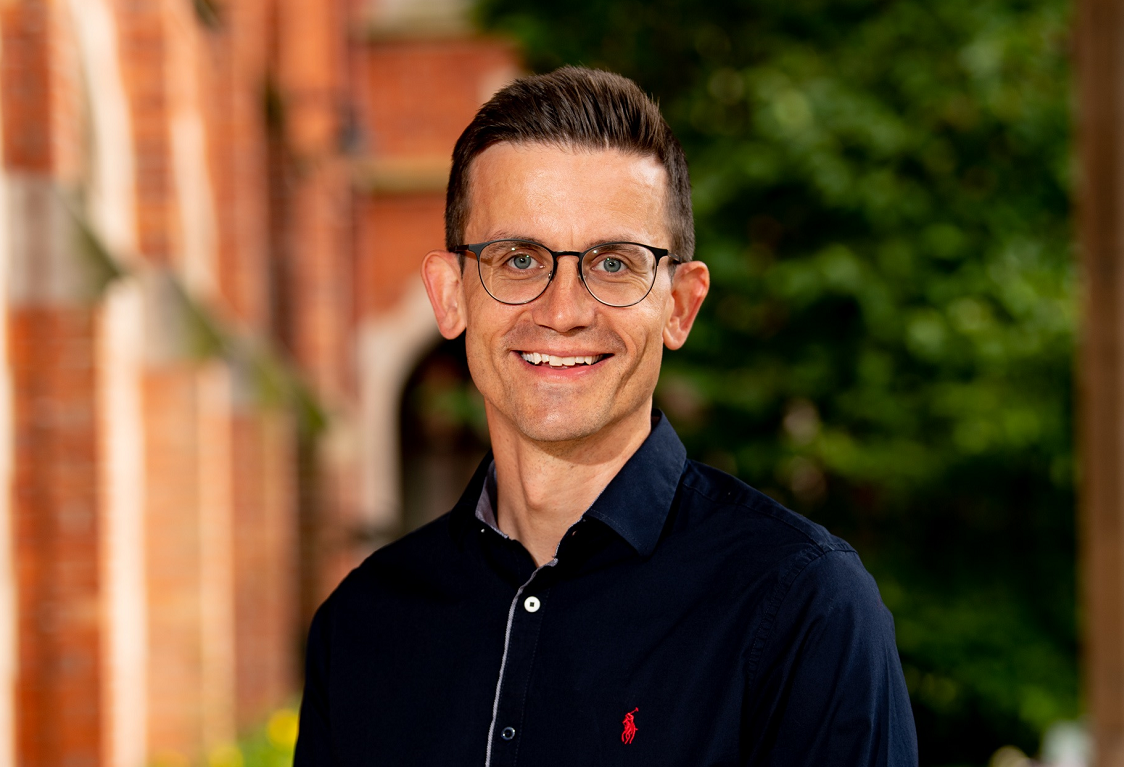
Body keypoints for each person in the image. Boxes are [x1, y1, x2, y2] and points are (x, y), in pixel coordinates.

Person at [293, 66, 917, 766]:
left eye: (614, 263)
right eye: (518, 258)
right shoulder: (362, 623)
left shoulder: (803, 606)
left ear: (679, 304)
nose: (562, 311)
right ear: (449, 294)